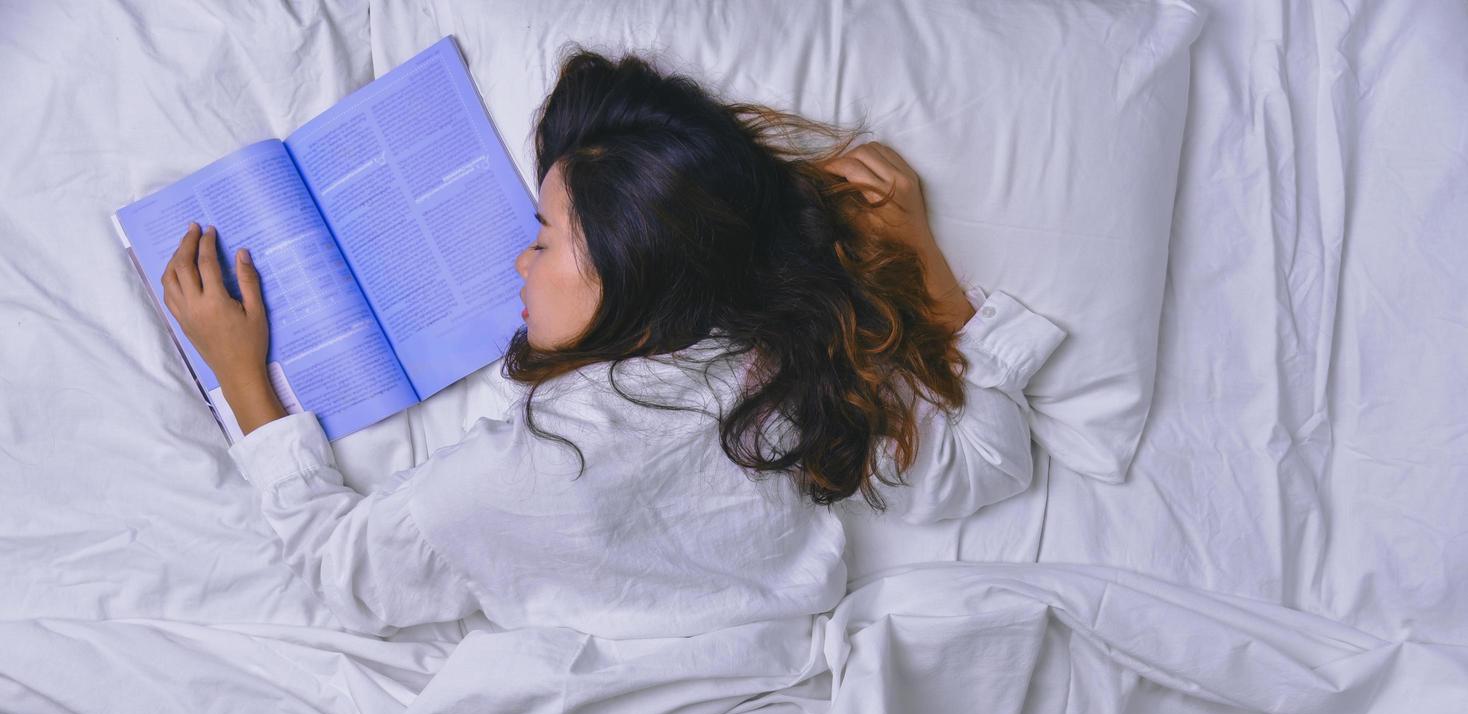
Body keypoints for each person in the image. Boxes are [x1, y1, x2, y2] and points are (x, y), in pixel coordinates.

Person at [159, 48, 1065, 640]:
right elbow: (988, 463)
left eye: (546, 239)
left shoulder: (531, 470)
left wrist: (248, 386)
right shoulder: (786, 374)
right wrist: (926, 267)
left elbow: (343, 577)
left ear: (629, 273)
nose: (520, 257)